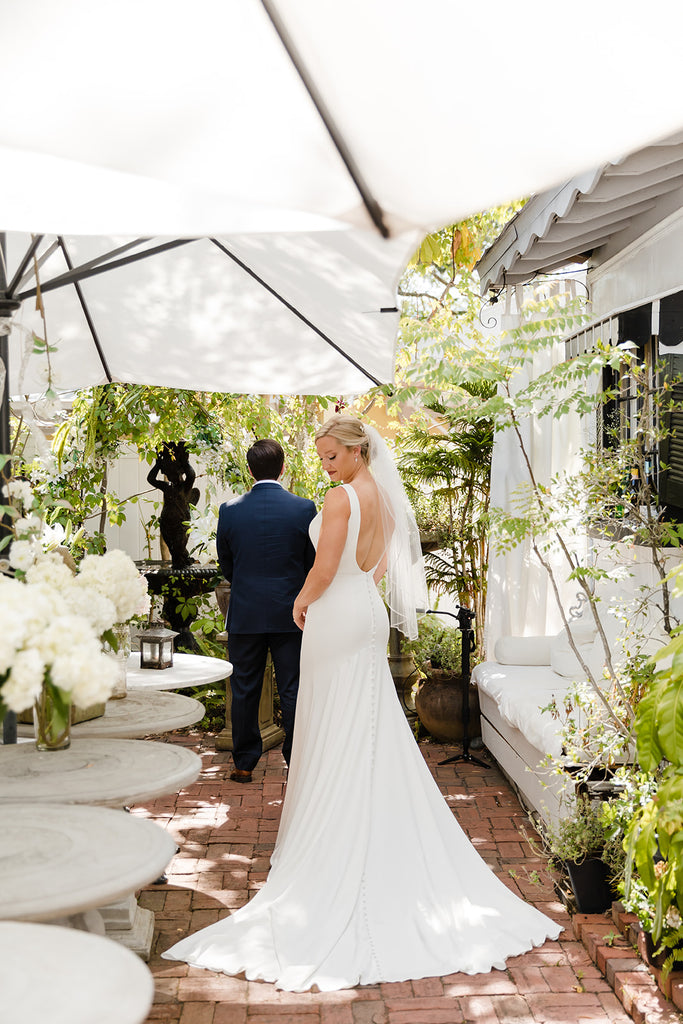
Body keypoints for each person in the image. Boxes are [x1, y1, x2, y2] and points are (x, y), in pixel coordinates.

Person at [163, 415, 560, 990]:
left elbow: (324, 569)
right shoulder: (388, 503)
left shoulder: (342, 496)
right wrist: (334, 594)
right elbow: (372, 571)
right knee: (366, 722)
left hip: (334, 615)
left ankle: (338, 836)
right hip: (365, 614)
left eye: (330, 455)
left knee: (332, 723)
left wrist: (301, 604)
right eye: (321, 457)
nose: (324, 464)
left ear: (355, 450)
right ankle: (370, 823)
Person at [215, 438, 316, 782]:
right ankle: (296, 759)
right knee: (292, 687)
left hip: (245, 613)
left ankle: (244, 762)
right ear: (283, 468)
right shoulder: (304, 508)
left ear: (249, 470)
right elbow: (311, 564)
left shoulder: (230, 510)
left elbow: (227, 566)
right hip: (292, 614)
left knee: (244, 687)